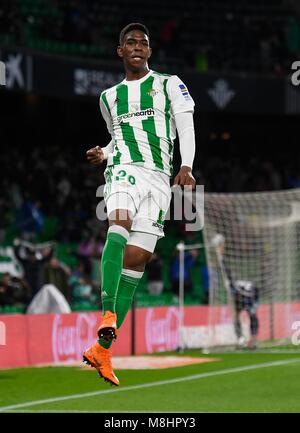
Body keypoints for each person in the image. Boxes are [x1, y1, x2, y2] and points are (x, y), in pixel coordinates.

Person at [83, 22, 196, 386]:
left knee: (138, 260)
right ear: (120, 51)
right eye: (129, 42)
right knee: (118, 223)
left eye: (142, 43)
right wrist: (107, 152)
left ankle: (101, 350)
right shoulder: (109, 97)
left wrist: (187, 165)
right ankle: (107, 314)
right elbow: (118, 137)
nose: (136, 47)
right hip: (124, 171)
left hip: (159, 179)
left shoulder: (168, 84)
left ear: (149, 51)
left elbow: (185, 123)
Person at [212, 234, 259, 349]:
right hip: (242, 296)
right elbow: (225, 269)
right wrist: (220, 254)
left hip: (250, 297)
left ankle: (252, 340)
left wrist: (220, 254)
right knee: (237, 315)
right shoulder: (233, 286)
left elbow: (226, 270)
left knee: (252, 315)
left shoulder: (246, 290)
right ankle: (241, 339)